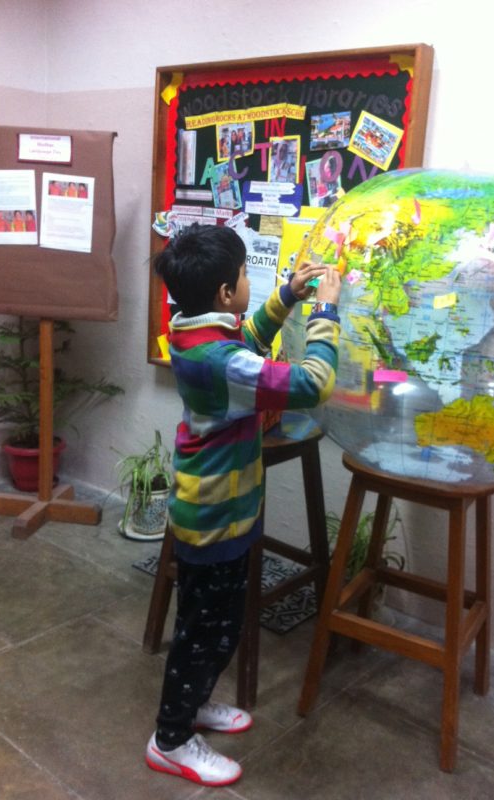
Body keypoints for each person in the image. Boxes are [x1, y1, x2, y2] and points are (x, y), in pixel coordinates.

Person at [147, 223, 341, 787]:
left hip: (219, 510)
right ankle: (171, 739)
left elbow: (246, 343)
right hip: (213, 517)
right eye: (245, 276)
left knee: (215, 623)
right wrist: (325, 311)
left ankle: (194, 701)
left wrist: (286, 297)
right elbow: (314, 383)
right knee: (205, 632)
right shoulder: (219, 361)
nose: (250, 284)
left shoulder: (193, 331)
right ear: (226, 293)